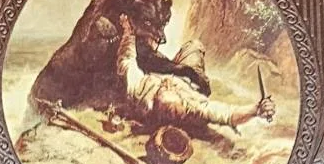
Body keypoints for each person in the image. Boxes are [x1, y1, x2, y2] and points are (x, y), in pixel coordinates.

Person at [113, 13, 273, 132]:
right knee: (195, 45)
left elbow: (127, 59)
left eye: (164, 90)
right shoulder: (195, 108)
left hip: (168, 70)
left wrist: (128, 32)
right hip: (191, 77)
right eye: (172, 91)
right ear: (183, 104)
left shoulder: (138, 91)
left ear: (155, 100)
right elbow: (228, 114)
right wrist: (256, 110)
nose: (168, 86)